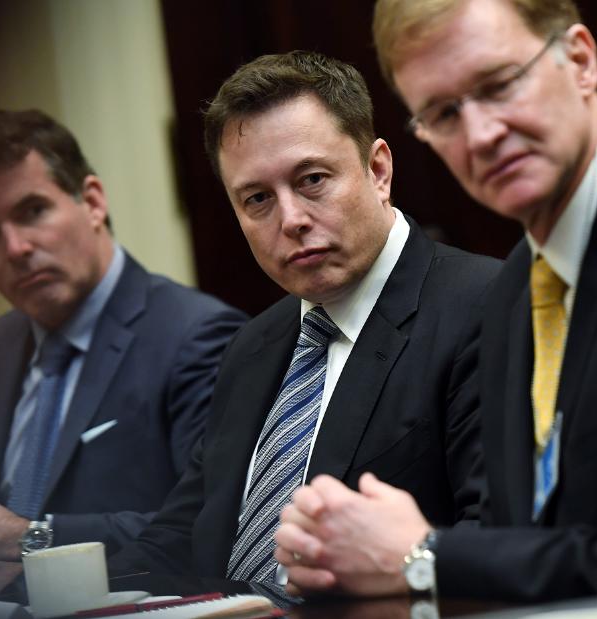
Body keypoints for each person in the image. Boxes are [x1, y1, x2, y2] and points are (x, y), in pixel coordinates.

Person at [275, 0, 597, 602]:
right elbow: (528, 532)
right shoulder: (514, 290)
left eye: (501, 85)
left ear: (581, 61)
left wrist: (424, 556)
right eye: (443, 113)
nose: (482, 134)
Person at [108, 51, 500, 584]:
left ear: (378, 170)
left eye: (312, 179)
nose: (290, 220)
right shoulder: (253, 345)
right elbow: (181, 535)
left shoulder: (488, 306)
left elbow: (497, 543)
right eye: (257, 199)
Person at [0, 110, 247, 596]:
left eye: (32, 211)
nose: (16, 247)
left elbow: (212, 530)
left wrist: (28, 538)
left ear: (91, 201)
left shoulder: (197, 336)